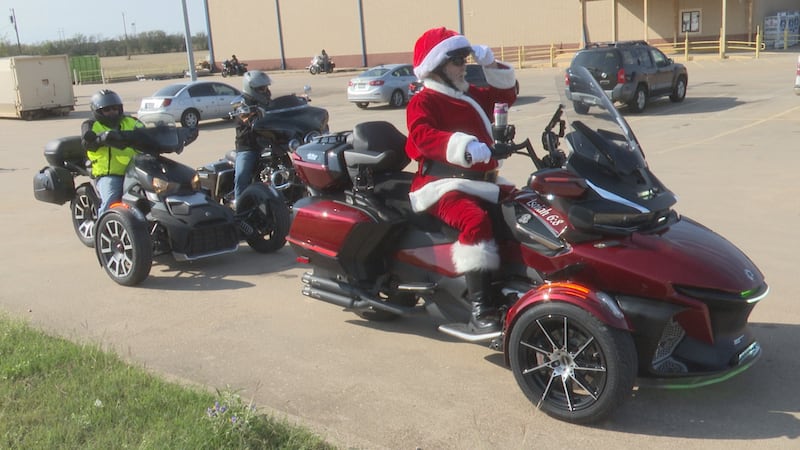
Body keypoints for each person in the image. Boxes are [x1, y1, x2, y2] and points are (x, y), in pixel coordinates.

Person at [405, 27, 517, 334]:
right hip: (442, 185)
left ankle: (512, 283)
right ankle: (480, 309)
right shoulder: (424, 101)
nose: (463, 66)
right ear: (436, 66)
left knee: (524, 208)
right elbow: (422, 136)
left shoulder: (468, 94)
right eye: (457, 61)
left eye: (464, 59)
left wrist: (491, 64)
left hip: (484, 181)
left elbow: (505, 96)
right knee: (475, 221)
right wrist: (464, 146)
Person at [81, 89, 144, 213]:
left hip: (136, 171)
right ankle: (102, 223)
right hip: (109, 174)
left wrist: (163, 131)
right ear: (98, 111)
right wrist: (99, 139)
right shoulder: (91, 125)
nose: (112, 112)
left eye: (115, 108)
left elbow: (147, 133)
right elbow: (86, 143)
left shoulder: (131, 121)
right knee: (111, 201)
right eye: (107, 109)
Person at [232, 70, 273, 205]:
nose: (266, 91)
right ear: (251, 88)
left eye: (266, 87)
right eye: (262, 88)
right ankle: (239, 205)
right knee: (242, 175)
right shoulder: (241, 104)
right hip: (249, 147)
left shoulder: (267, 102)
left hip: (269, 143)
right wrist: (255, 114)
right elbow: (249, 120)